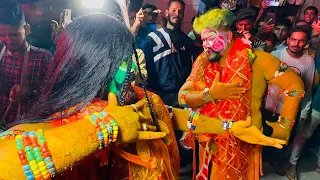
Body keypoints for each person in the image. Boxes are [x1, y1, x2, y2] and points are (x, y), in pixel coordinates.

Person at [0, 12, 289, 180]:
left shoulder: (138, 96)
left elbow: (171, 114)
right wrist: (105, 128)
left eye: (131, 57)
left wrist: (230, 127)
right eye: (122, 60)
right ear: (92, 64)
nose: (131, 70)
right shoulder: (60, 122)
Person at [178, 8, 304, 180]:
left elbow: (294, 84)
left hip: (243, 142)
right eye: (203, 39)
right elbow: (182, 97)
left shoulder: (257, 59)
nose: (206, 45)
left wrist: (283, 126)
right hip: (209, 139)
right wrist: (210, 95)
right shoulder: (203, 61)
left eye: (211, 38)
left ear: (229, 36)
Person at [0, 2, 53, 127]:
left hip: (25, 130)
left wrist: (29, 92)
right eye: (2, 35)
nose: (8, 40)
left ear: (26, 29)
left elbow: (53, 98)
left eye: (14, 35)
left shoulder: (43, 58)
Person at [142, 0, 193, 107]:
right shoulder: (153, 37)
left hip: (179, 98)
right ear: (166, 12)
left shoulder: (187, 40)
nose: (176, 14)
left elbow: (189, 70)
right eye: (173, 10)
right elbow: (144, 65)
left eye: (180, 11)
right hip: (158, 96)